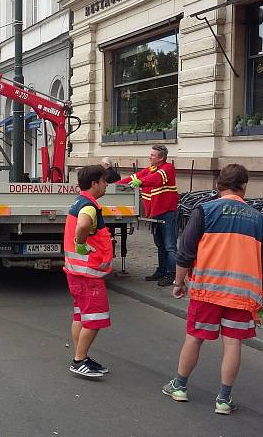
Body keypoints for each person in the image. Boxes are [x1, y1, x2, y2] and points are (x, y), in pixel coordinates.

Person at [162, 164, 263, 415]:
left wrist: (178, 283)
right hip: (243, 294)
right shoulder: (259, 219)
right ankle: (223, 399)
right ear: (244, 187)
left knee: (195, 338)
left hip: (207, 291)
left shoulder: (205, 210)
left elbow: (185, 251)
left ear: (218, 185)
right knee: (233, 344)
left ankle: (179, 386)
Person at [64, 165, 113, 378]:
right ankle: (78, 360)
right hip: (88, 275)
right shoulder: (89, 207)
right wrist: (81, 243)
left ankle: (81, 356)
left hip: (76, 273)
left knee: (81, 316)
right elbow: (83, 225)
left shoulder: (79, 200)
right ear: (94, 183)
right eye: (104, 181)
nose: (106, 185)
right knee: (94, 319)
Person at [116, 144, 178, 286]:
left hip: (167, 212)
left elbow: (156, 179)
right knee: (160, 245)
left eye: (153, 155)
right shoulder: (150, 169)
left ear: (161, 158)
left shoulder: (167, 169)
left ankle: (172, 274)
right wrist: (115, 185)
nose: (150, 157)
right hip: (155, 213)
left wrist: (140, 182)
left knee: (170, 246)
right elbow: (134, 177)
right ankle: (162, 271)